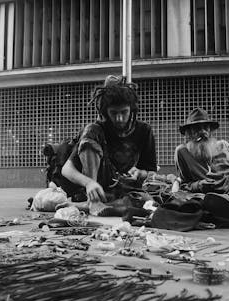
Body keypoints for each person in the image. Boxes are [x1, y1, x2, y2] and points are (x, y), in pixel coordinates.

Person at [60, 75, 158, 204]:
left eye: (124, 112)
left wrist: (139, 172)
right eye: (114, 113)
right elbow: (67, 170)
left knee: (148, 201)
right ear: (106, 112)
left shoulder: (144, 130)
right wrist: (89, 183)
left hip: (126, 189)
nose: (119, 119)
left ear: (132, 110)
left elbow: (150, 171)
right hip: (97, 187)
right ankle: (93, 200)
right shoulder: (96, 130)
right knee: (90, 129)